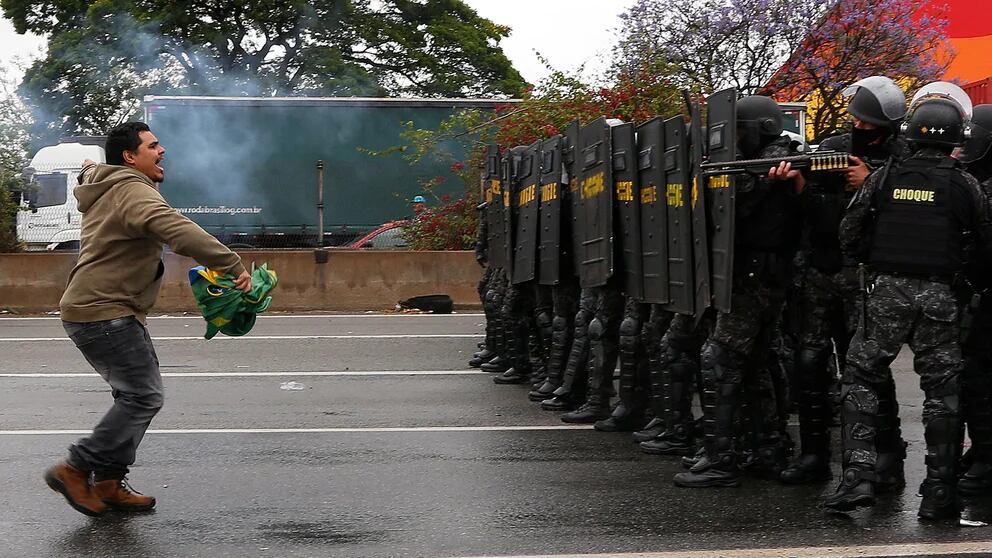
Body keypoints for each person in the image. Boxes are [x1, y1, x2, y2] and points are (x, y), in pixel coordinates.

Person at [44, 122, 251, 517]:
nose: (162, 151)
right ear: (129, 156)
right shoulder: (133, 190)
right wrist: (230, 261)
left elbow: (91, 168)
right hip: (105, 311)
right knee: (143, 396)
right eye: (153, 146)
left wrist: (91, 165)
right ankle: (75, 468)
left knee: (133, 395)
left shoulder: (108, 180)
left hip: (103, 308)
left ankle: (107, 482)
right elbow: (177, 229)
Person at [825, 84, 986, 520]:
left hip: (886, 294)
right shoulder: (966, 185)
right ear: (955, 141)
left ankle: (856, 479)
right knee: (943, 394)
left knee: (860, 376)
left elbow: (849, 234)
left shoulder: (884, 178)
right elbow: (984, 244)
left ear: (911, 134)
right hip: (940, 296)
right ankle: (938, 495)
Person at [781, 76, 909, 485]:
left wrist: (872, 182)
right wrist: (798, 184)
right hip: (823, 270)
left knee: (869, 368)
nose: (860, 130)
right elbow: (814, 210)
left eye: (869, 125)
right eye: (857, 121)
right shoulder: (834, 149)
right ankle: (814, 454)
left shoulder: (903, 160)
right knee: (811, 362)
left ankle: (888, 454)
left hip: (865, 274)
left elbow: (911, 214)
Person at [673, 96, 805, 488]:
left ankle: (721, 457)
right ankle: (765, 447)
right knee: (753, 366)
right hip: (751, 275)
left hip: (759, 278)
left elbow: (739, 203)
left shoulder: (783, 160)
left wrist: (773, 182)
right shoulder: (762, 161)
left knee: (720, 359)